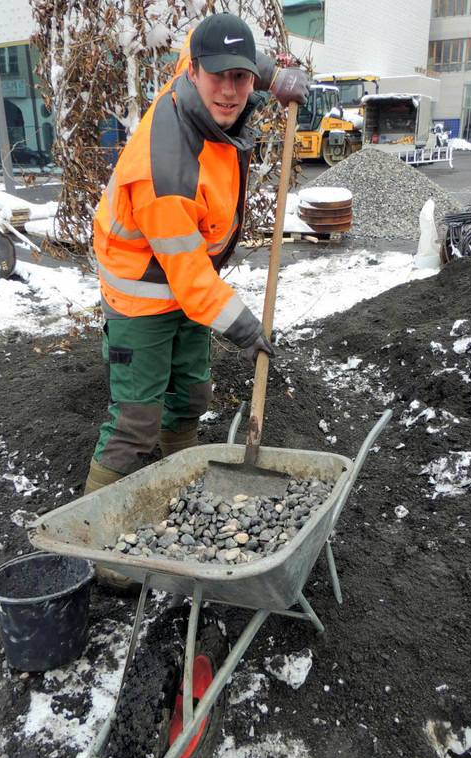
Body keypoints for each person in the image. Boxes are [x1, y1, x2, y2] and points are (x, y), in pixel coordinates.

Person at [84, 13, 309, 494]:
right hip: (142, 291)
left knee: (190, 396)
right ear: (193, 73)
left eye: (241, 76)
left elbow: (214, 47)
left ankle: (182, 484)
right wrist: (246, 329)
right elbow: (188, 278)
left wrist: (274, 75)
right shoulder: (165, 169)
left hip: (188, 276)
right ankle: (90, 528)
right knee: (136, 422)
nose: (229, 90)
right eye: (218, 76)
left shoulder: (201, 67)